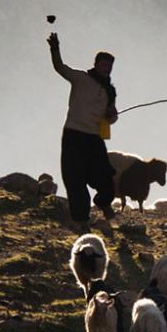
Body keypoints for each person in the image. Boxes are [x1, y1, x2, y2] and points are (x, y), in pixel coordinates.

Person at [48, 32, 118, 227]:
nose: (107, 69)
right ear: (96, 64)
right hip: (73, 134)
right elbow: (60, 67)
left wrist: (112, 115)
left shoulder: (109, 91)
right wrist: (55, 49)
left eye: (110, 66)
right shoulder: (81, 78)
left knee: (105, 177)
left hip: (95, 138)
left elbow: (111, 118)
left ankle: (104, 204)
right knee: (75, 178)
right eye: (104, 65)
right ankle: (81, 220)